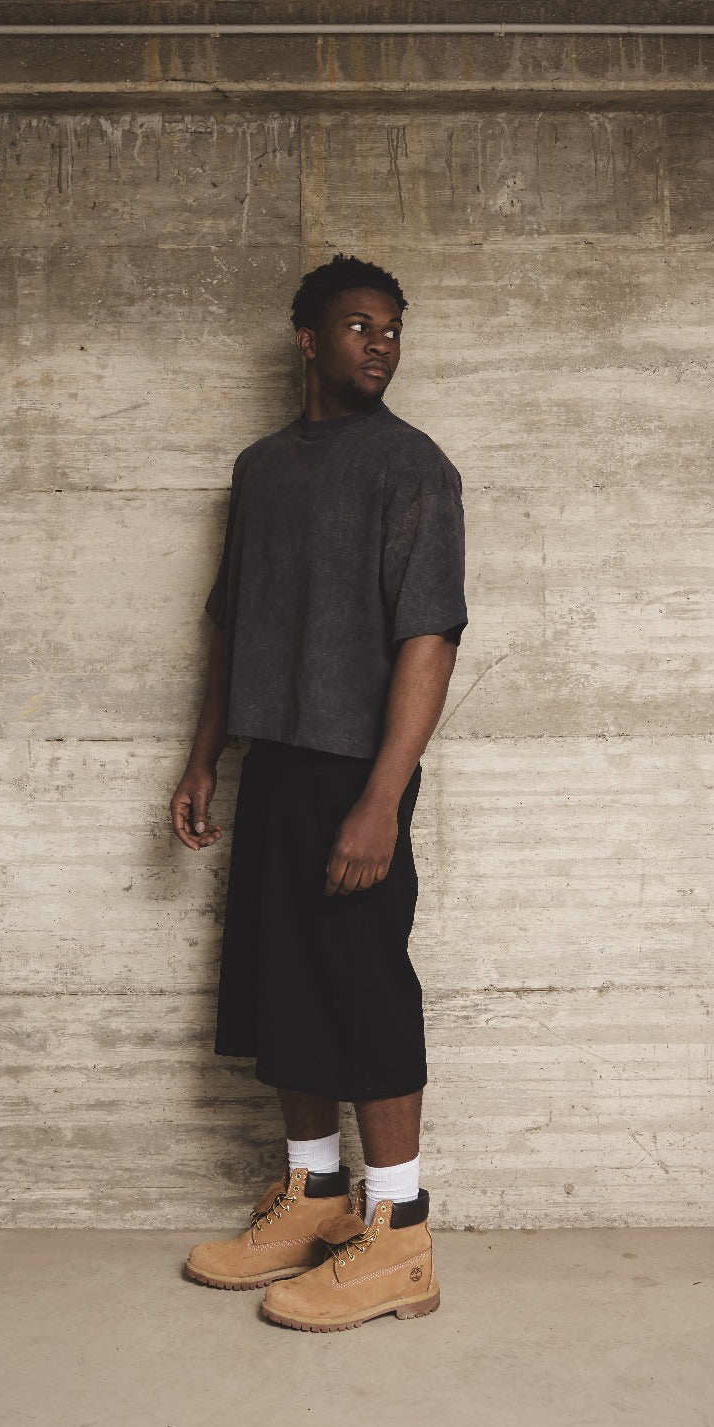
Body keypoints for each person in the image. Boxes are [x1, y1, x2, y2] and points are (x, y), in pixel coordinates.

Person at [170, 254, 468, 1331]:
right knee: (284, 982)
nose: (380, 343)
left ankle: (398, 1233)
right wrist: (204, 755)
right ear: (308, 340)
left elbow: (428, 636)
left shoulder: (412, 467)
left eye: (391, 328)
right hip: (276, 760)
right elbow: (230, 624)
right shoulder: (260, 470)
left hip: (356, 769)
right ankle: (315, 1196)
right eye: (357, 326)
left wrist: (381, 798)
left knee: (363, 985)